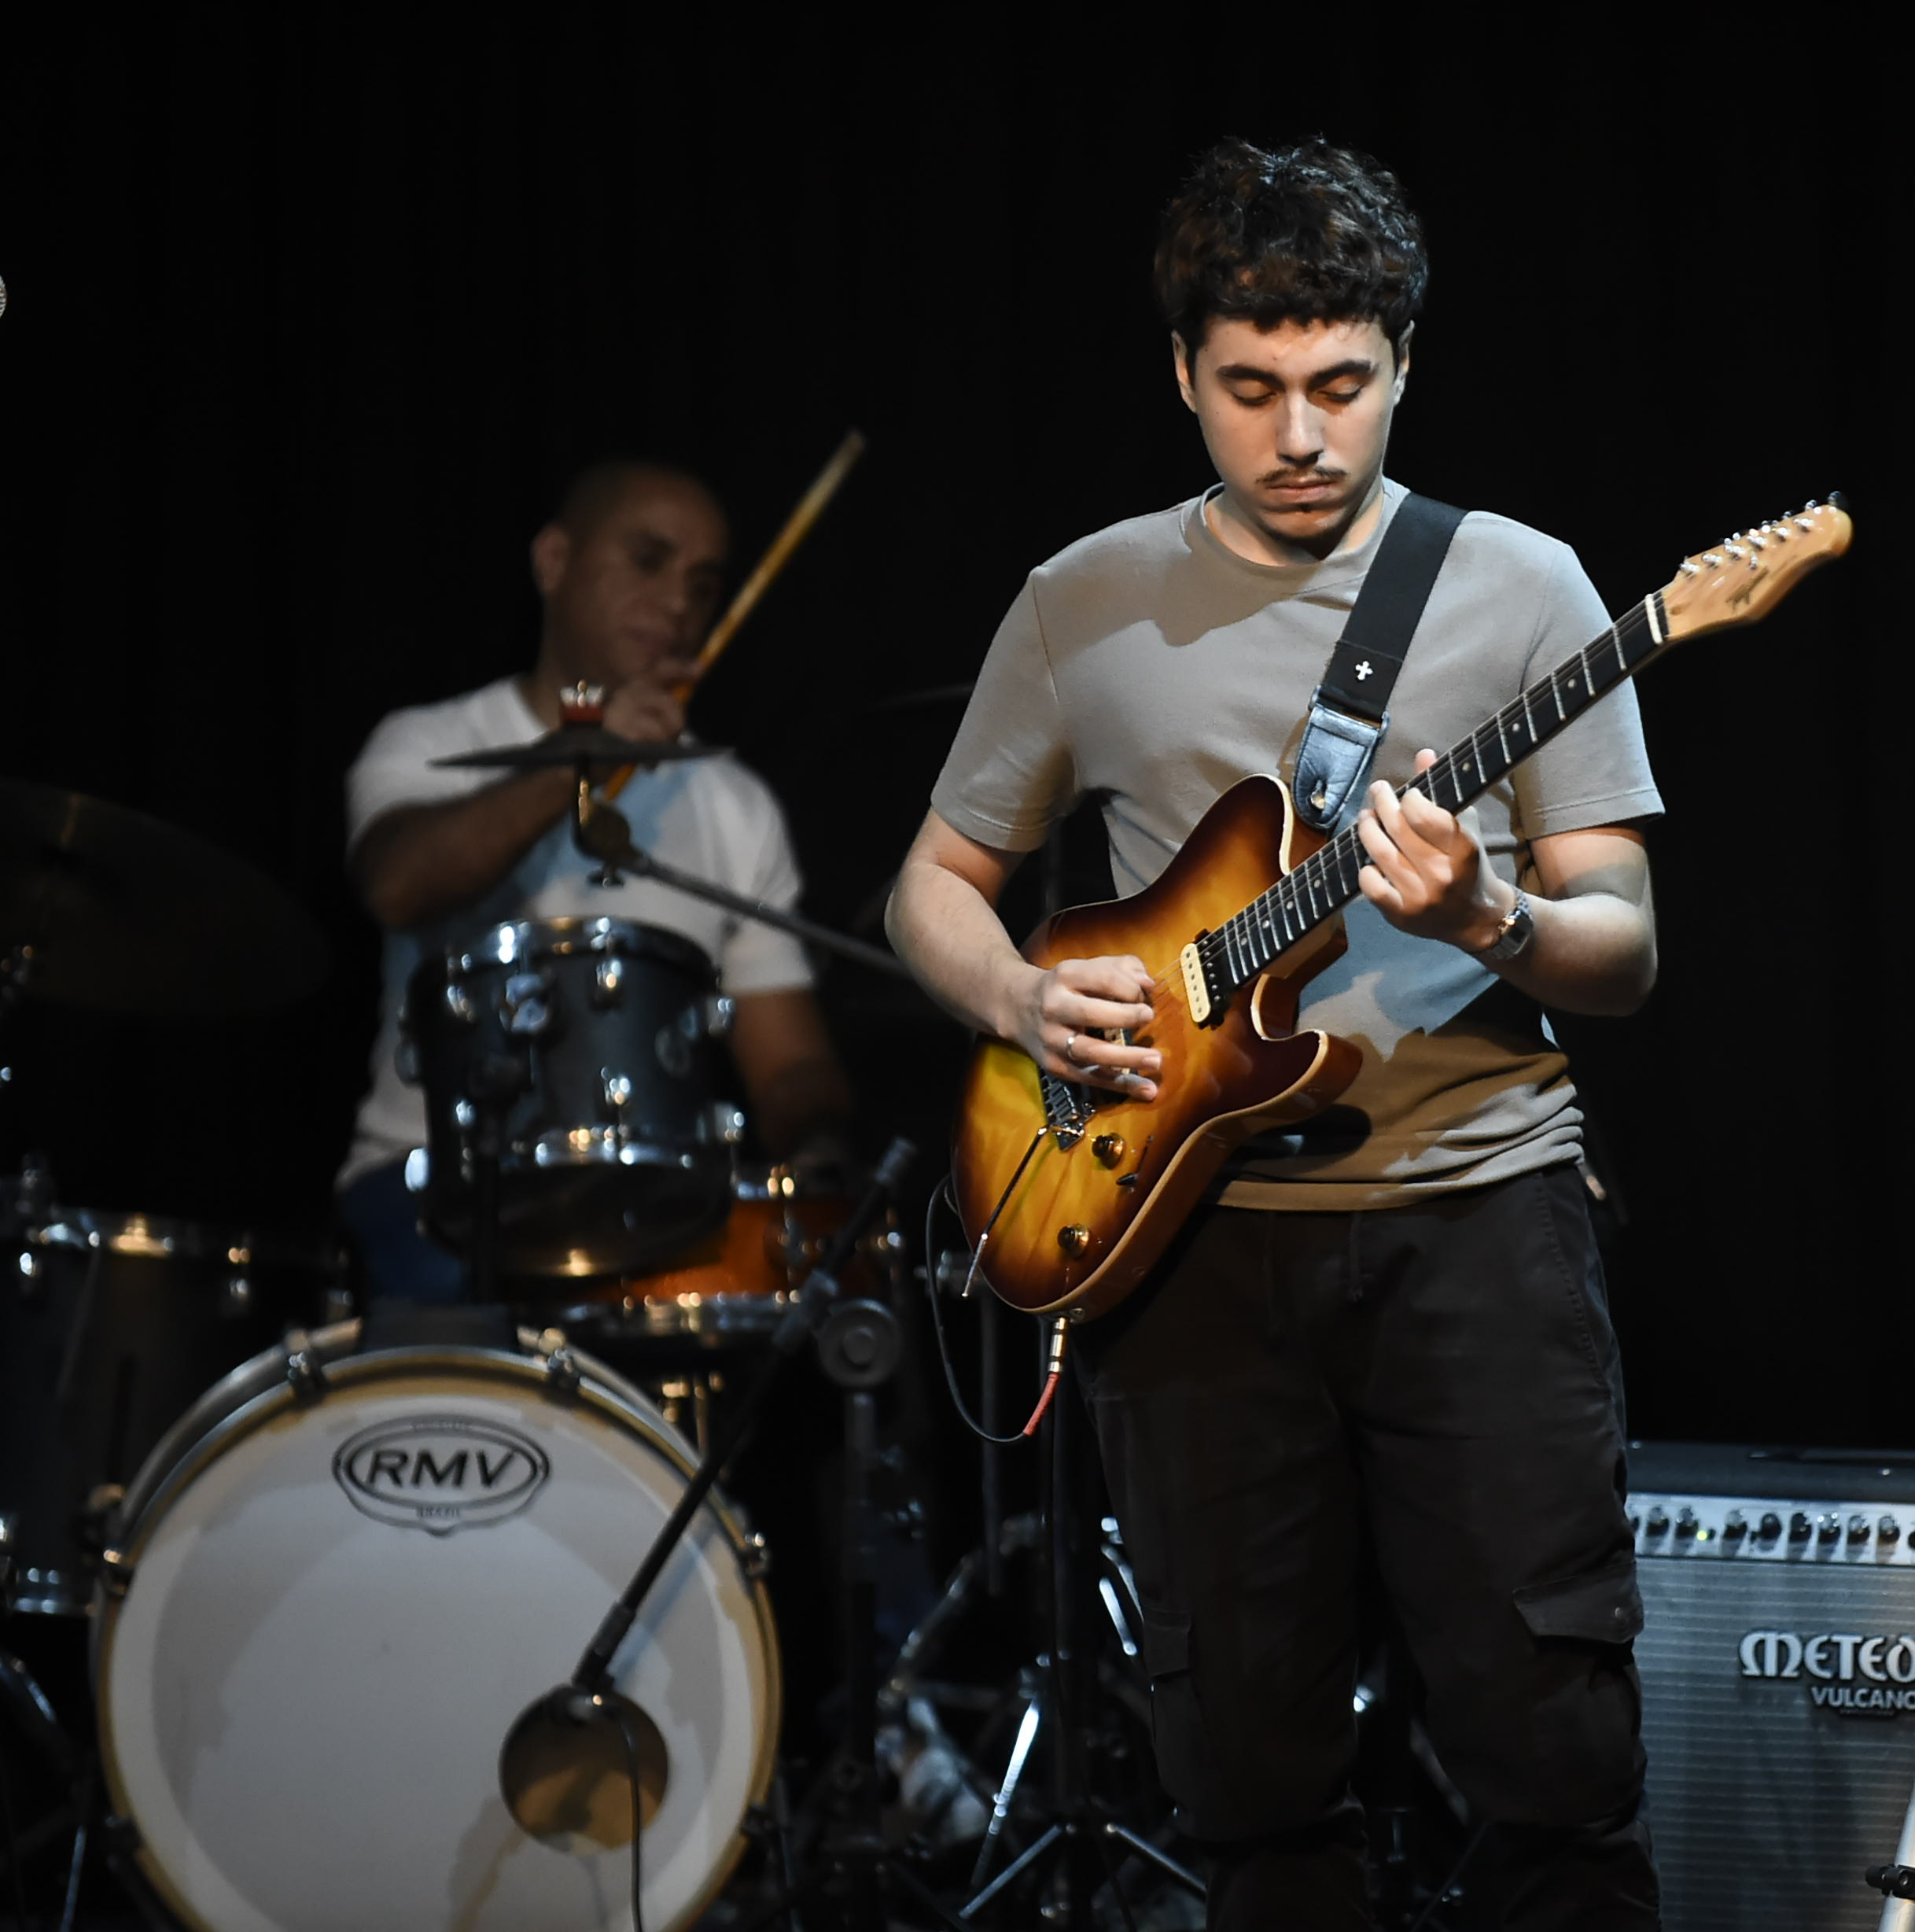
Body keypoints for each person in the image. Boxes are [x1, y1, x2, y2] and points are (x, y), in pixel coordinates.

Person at [889, 138, 1666, 1930]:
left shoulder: (1529, 590)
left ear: (1405, 363)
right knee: (1246, 1784)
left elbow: (1620, 947)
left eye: (1341, 384)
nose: (1301, 434)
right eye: (1251, 388)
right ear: (1182, 372)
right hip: (1190, 1241)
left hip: (1477, 1220)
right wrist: (1018, 993)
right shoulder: (1082, 599)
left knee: (1552, 1755)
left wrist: (1490, 917)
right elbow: (934, 880)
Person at [336, 458, 854, 1303]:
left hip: (651, 1212)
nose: (678, 602)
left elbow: (787, 1063)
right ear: (554, 561)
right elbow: (399, 883)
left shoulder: (733, 804)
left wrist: (821, 1150)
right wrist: (583, 751)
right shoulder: (428, 743)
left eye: (702, 584)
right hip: (429, 1189)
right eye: (648, 561)